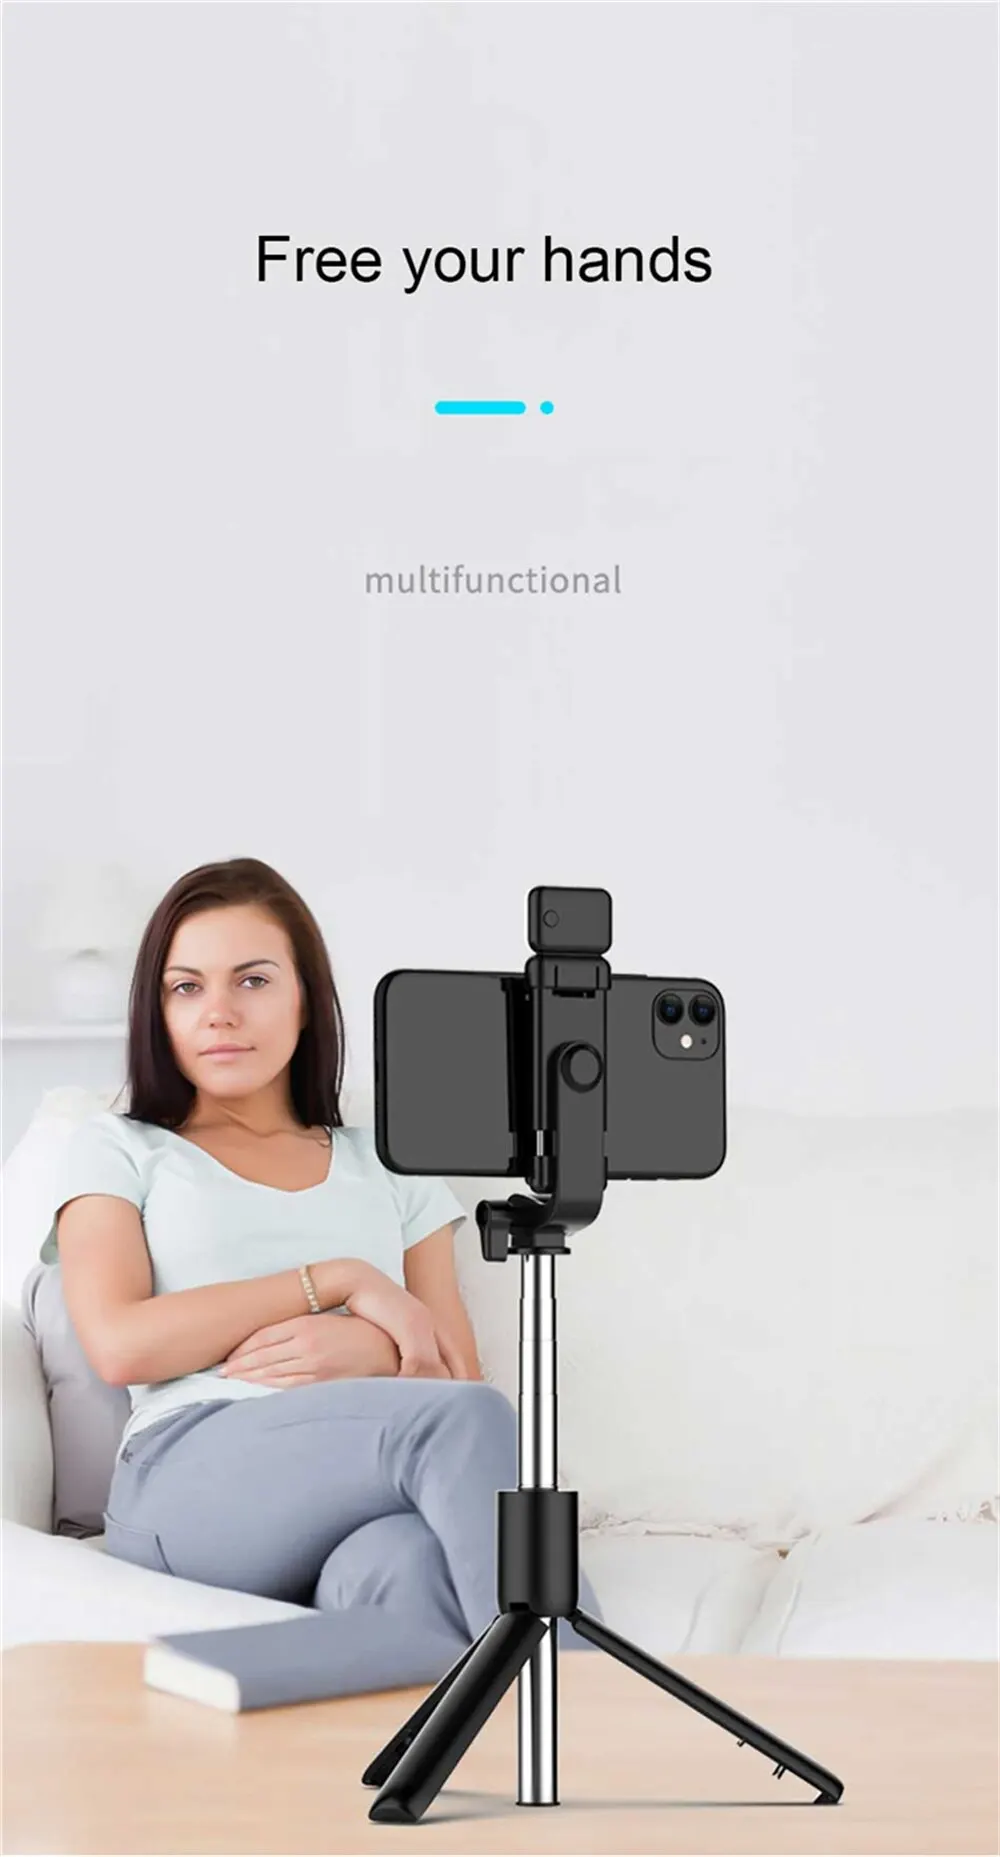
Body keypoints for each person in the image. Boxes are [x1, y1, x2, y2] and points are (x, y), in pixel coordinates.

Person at [46, 856, 601, 1662]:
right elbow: (120, 1342)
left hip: (350, 1496)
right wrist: (339, 1280)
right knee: (470, 1424)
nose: (219, 1012)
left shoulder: (391, 1160)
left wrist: (373, 1347)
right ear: (157, 1010)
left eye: (253, 980)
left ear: (306, 999)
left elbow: (455, 1373)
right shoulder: (118, 1145)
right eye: (186, 987)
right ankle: (598, 1705)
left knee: (410, 1569)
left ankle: (434, 1742)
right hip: (187, 1472)